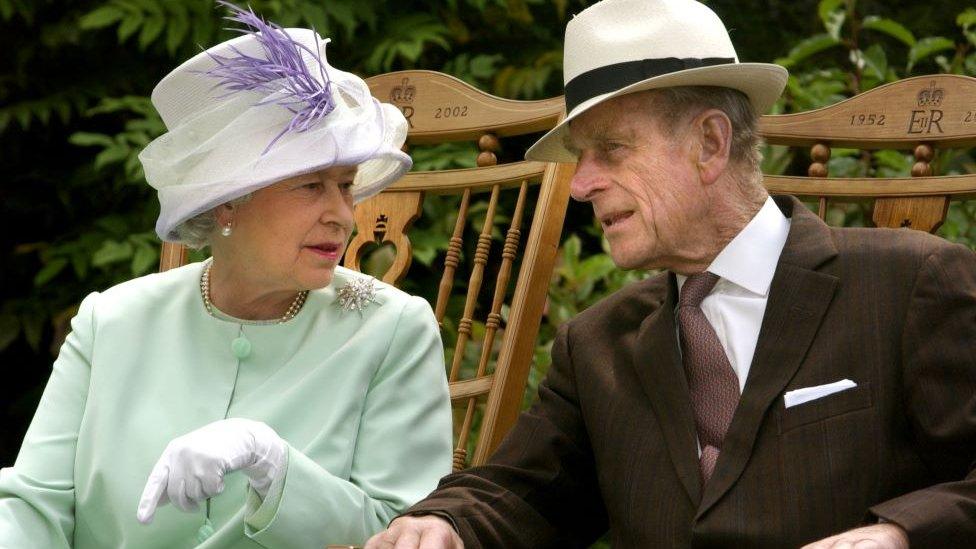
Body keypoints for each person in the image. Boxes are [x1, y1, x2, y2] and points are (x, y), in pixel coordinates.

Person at [365, 0, 976, 547]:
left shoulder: (911, 283)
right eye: (579, 158)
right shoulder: (598, 344)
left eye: (611, 149)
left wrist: (898, 534)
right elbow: (522, 490)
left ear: (710, 143)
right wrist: (442, 522)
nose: (579, 185)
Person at [0, 4, 452, 548]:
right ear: (226, 205)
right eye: (311, 186)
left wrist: (275, 464)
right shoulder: (111, 320)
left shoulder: (392, 329)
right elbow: (32, 505)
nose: (342, 214)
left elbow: (405, 533)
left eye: (346, 184)